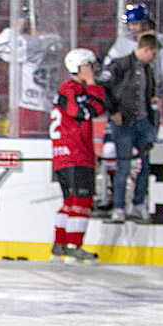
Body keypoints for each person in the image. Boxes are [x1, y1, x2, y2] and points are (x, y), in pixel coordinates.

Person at [96, 3, 163, 215]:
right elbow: (107, 77)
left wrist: (157, 93)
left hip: (144, 112)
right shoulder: (122, 45)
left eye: (136, 23)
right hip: (123, 114)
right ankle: (114, 197)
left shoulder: (161, 43)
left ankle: (139, 200)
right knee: (113, 153)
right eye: (131, 24)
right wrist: (113, 108)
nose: (133, 28)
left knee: (143, 159)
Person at [49, 48, 106, 264]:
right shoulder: (71, 88)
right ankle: (74, 246)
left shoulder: (67, 89)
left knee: (69, 201)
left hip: (64, 155)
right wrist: (93, 85)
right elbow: (90, 110)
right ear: (80, 67)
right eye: (89, 65)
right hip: (76, 154)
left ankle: (60, 246)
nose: (93, 69)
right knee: (81, 201)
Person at [100, 33, 160, 224]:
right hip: (124, 124)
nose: (153, 58)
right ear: (146, 49)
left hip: (142, 121)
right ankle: (119, 207)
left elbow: (147, 92)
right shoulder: (120, 65)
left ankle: (138, 203)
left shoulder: (147, 70)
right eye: (153, 53)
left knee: (145, 165)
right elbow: (104, 89)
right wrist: (113, 111)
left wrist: (152, 101)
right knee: (123, 166)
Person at [0, 7, 64, 137]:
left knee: (26, 141)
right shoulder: (54, 41)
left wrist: (16, 29)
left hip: (29, 105)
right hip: (49, 104)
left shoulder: (27, 44)